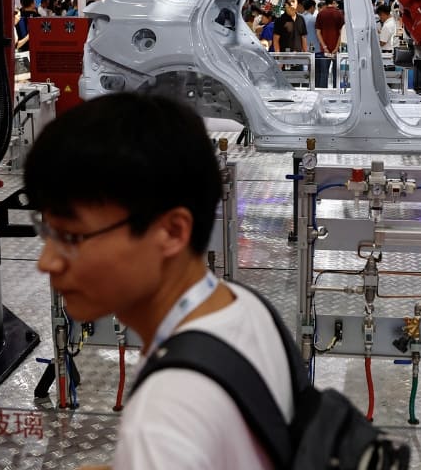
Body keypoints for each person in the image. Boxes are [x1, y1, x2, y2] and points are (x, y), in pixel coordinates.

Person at [27, 94, 294, 470]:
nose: (46, 262)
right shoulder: (243, 306)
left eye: (71, 236)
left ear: (171, 231)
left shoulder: (163, 419)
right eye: (46, 231)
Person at [315, 0, 345, 88]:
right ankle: (337, 95)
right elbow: (341, 33)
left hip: (324, 50)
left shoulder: (320, 14)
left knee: (324, 73)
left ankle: (322, 94)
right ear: (333, 2)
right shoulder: (339, 14)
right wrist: (336, 48)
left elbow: (318, 32)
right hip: (336, 50)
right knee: (337, 74)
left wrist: (324, 47)